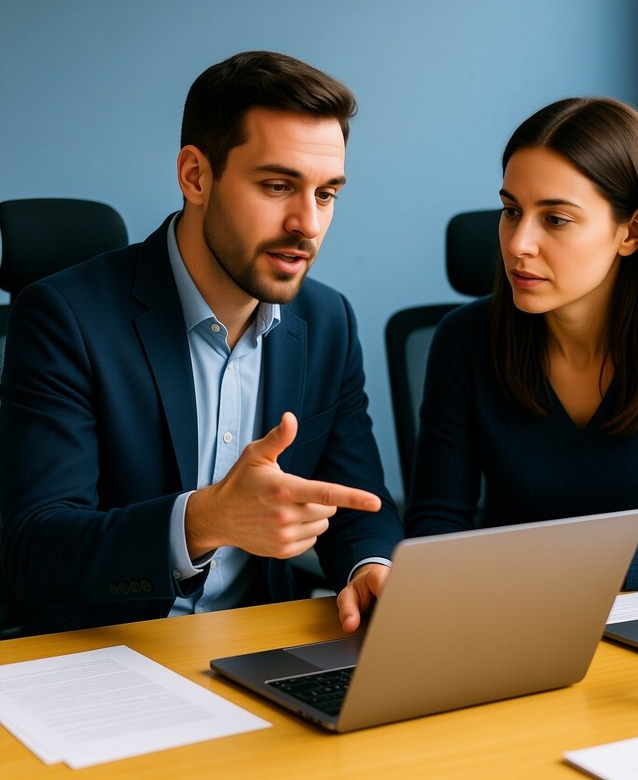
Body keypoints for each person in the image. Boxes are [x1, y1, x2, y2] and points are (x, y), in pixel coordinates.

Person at [0, 51, 404, 635]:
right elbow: (35, 552)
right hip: (108, 656)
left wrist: (371, 565)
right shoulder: (66, 318)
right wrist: (202, 521)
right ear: (195, 176)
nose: (308, 225)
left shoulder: (327, 320)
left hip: (262, 648)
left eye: (326, 194)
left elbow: (358, 502)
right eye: (276, 185)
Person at [404, 97, 638, 589]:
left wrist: (568, 575)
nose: (518, 243)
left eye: (555, 219)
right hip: (507, 613)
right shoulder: (465, 339)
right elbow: (434, 527)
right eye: (511, 211)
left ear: (631, 232)